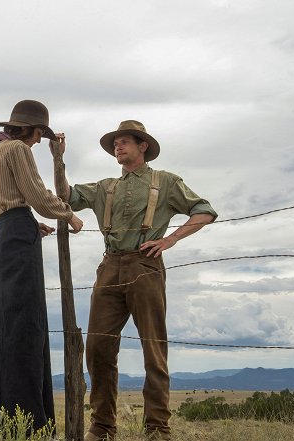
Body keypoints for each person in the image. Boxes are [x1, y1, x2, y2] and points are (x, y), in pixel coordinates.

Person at [53, 120, 217, 440]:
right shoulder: (105, 187)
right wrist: (59, 160)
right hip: (109, 267)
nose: (118, 146)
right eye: (116, 143)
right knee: (98, 348)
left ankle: (157, 429)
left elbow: (204, 211)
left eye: (124, 141)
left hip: (146, 265)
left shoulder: (165, 182)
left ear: (143, 146)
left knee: (153, 349)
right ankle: (102, 427)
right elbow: (64, 196)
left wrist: (169, 240)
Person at [0, 100, 84, 433]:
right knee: (24, 328)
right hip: (18, 239)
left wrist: (21, 223)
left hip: (3, 240)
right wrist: (69, 215)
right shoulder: (17, 150)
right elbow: (37, 195)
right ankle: (25, 423)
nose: (38, 142)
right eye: (38, 135)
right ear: (30, 130)